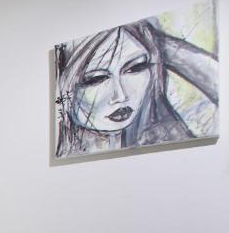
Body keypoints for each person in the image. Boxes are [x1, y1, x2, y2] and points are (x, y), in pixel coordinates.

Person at [54, 16, 218, 158]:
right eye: (96, 79)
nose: (121, 95)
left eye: (136, 68)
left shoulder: (159, 136)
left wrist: (158, 44)